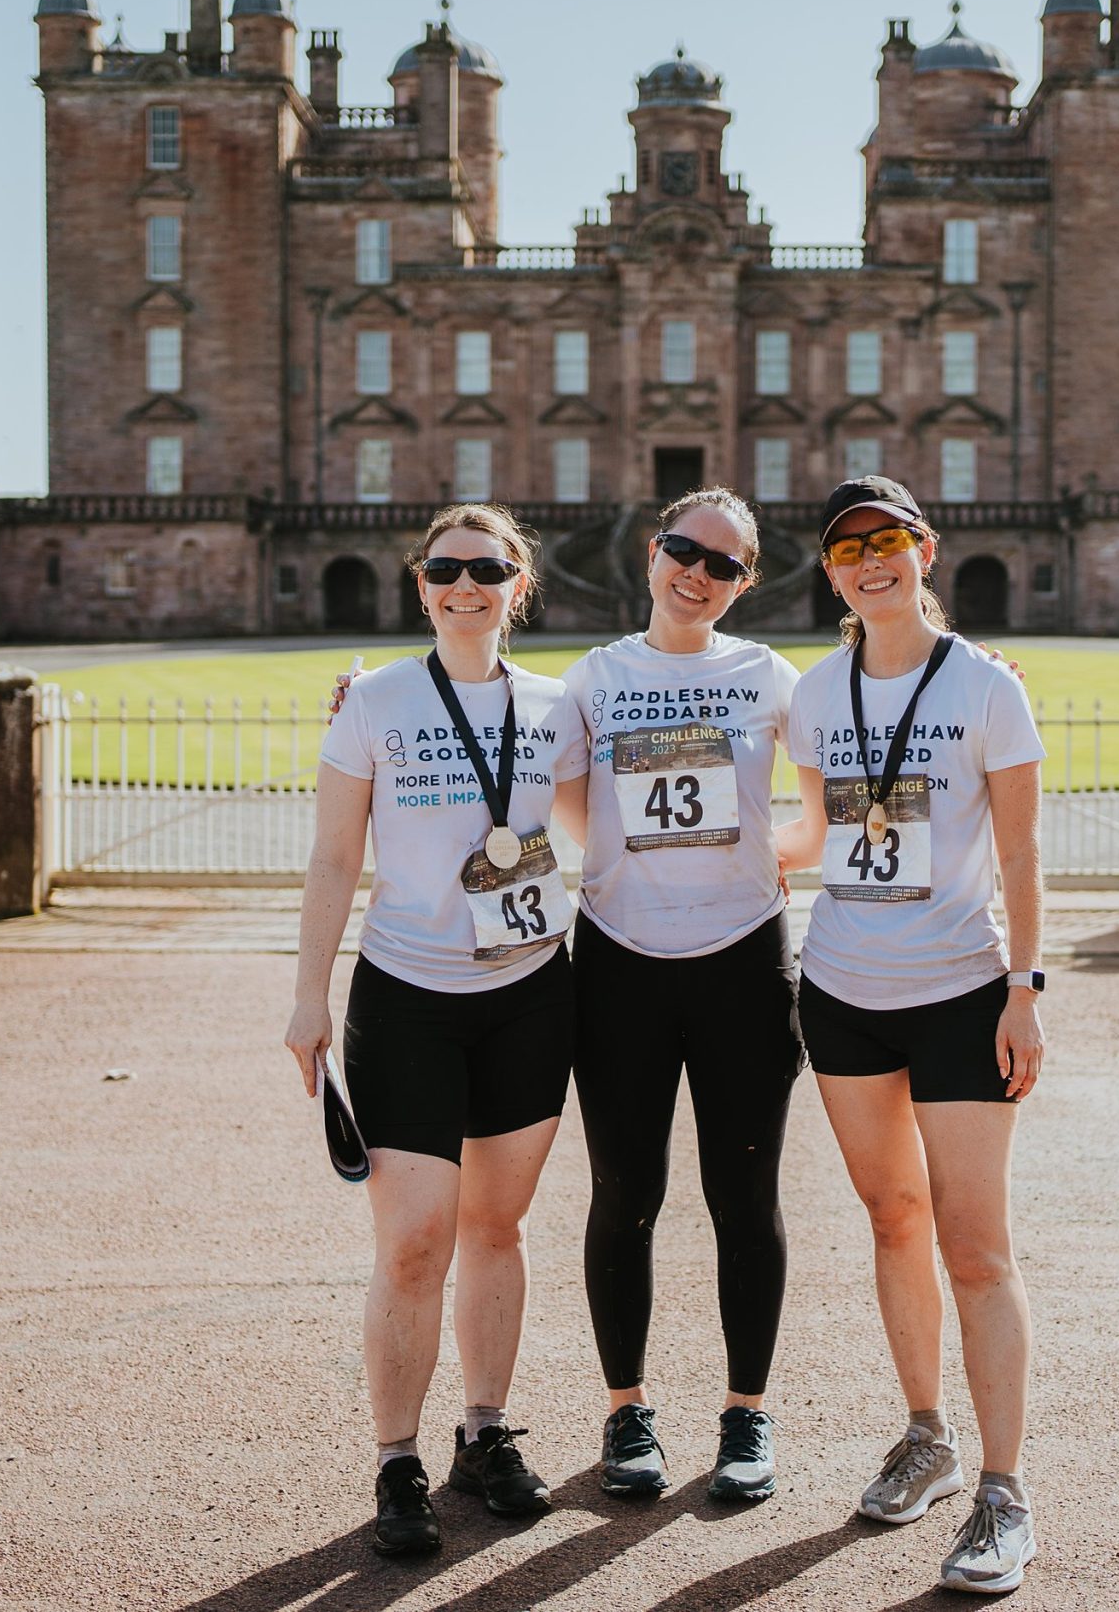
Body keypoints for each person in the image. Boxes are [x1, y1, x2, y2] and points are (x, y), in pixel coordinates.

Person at [333, 489, 805, 1504]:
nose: (697, 572)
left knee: (743, 1195)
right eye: (683, 550)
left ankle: (745, 1414)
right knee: (624, 1193)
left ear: (745, 581)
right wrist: (368, 695)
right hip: (620, 959)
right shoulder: (588, 682)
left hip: (742, 960)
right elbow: (570, 808)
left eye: (723, 563)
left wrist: (768, 856)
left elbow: (854, 763)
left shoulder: (772, 676)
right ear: (652, 552)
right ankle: (626, 1410)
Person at [283, 503, 587, 1557]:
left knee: (498, 1229)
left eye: (487, 570)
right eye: (445, 569)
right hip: (407, 994)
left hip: (529, 993)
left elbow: (605, 828)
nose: (466, 586)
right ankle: (396, 1458)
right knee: (414, 1240)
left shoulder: (557, 705)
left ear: (518, 586)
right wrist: (309, 996)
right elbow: (334, 857)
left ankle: (484, 1432)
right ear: (420, 585)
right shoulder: (373, 701)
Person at [774, 475, 1048, 1596]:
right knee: (892, 1218)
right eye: (847, 551)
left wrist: (1025, 990)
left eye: (885, 540)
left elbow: (1021, 853)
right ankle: (926, 1437)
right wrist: (709, 847)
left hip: (958, 992)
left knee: (975, 1245)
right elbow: (816, 832)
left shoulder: (986, 686)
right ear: (831, 575)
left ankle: (1004, 1492)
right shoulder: (814, 692)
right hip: (841, 987)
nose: (868, 562)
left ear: (924, 551)